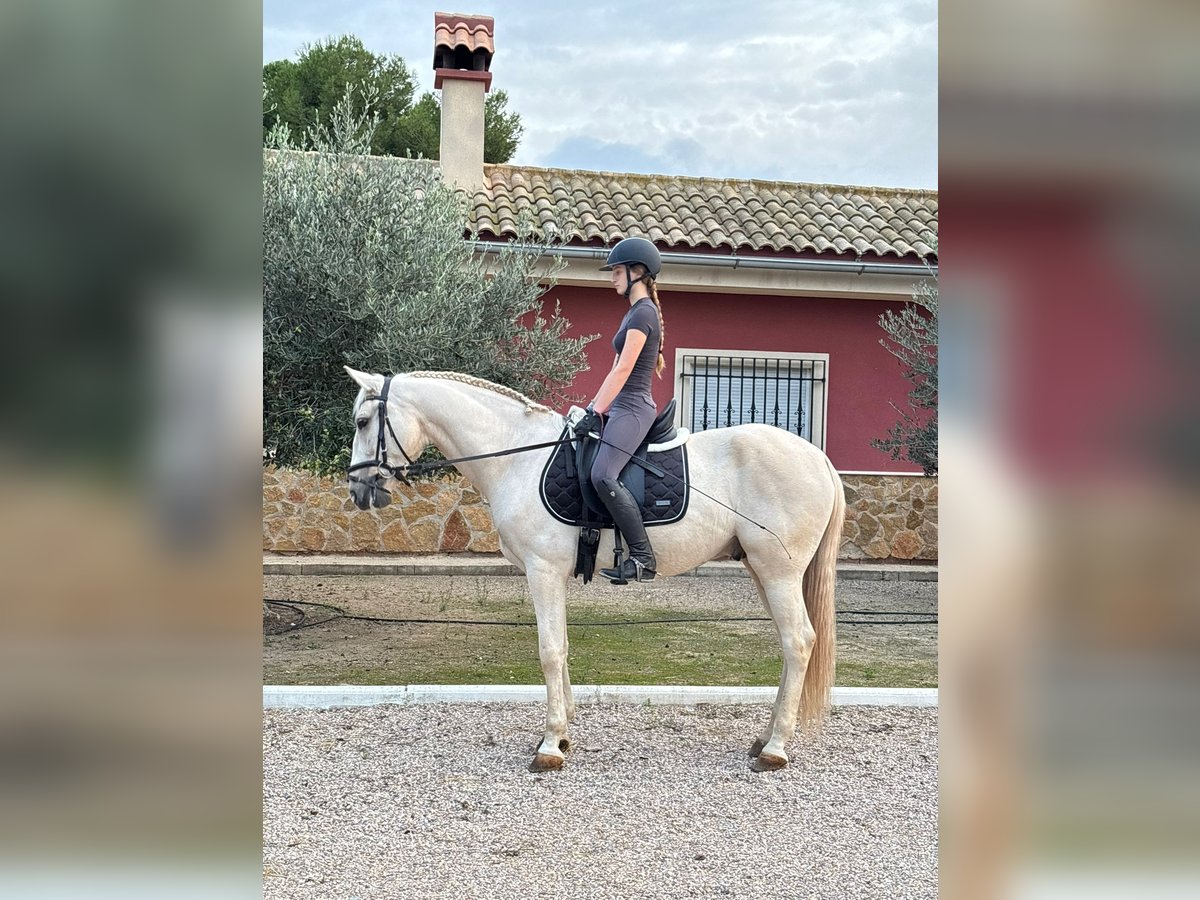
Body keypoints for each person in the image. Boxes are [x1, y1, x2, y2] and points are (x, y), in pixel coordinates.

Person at [572, 236, 667, 583]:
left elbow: (625, 370)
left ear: (637, 272)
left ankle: (642, 557)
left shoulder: (643, 313)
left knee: (602, 473)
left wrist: (598, 410)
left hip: (634, 408)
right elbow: (614, 370)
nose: (611, 277)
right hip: (620, 407)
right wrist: (592, 409)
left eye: (616, 271)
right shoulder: (633, 313)